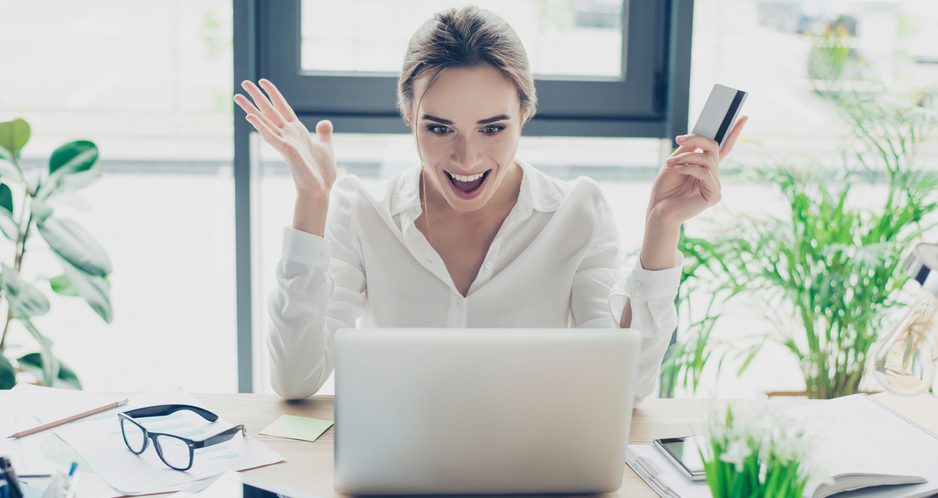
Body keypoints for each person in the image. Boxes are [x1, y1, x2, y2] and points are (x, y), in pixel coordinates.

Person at [233, 5, 746, 402]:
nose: (467, 156)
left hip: (528, 470)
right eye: (439, 128)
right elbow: (295, 380)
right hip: (398, 468)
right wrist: (311, 202)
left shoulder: (577, 213)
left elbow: (625, 388)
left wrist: (661, 227)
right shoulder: (359, 209)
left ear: (526, 113)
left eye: (492, 128)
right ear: (408, 114)